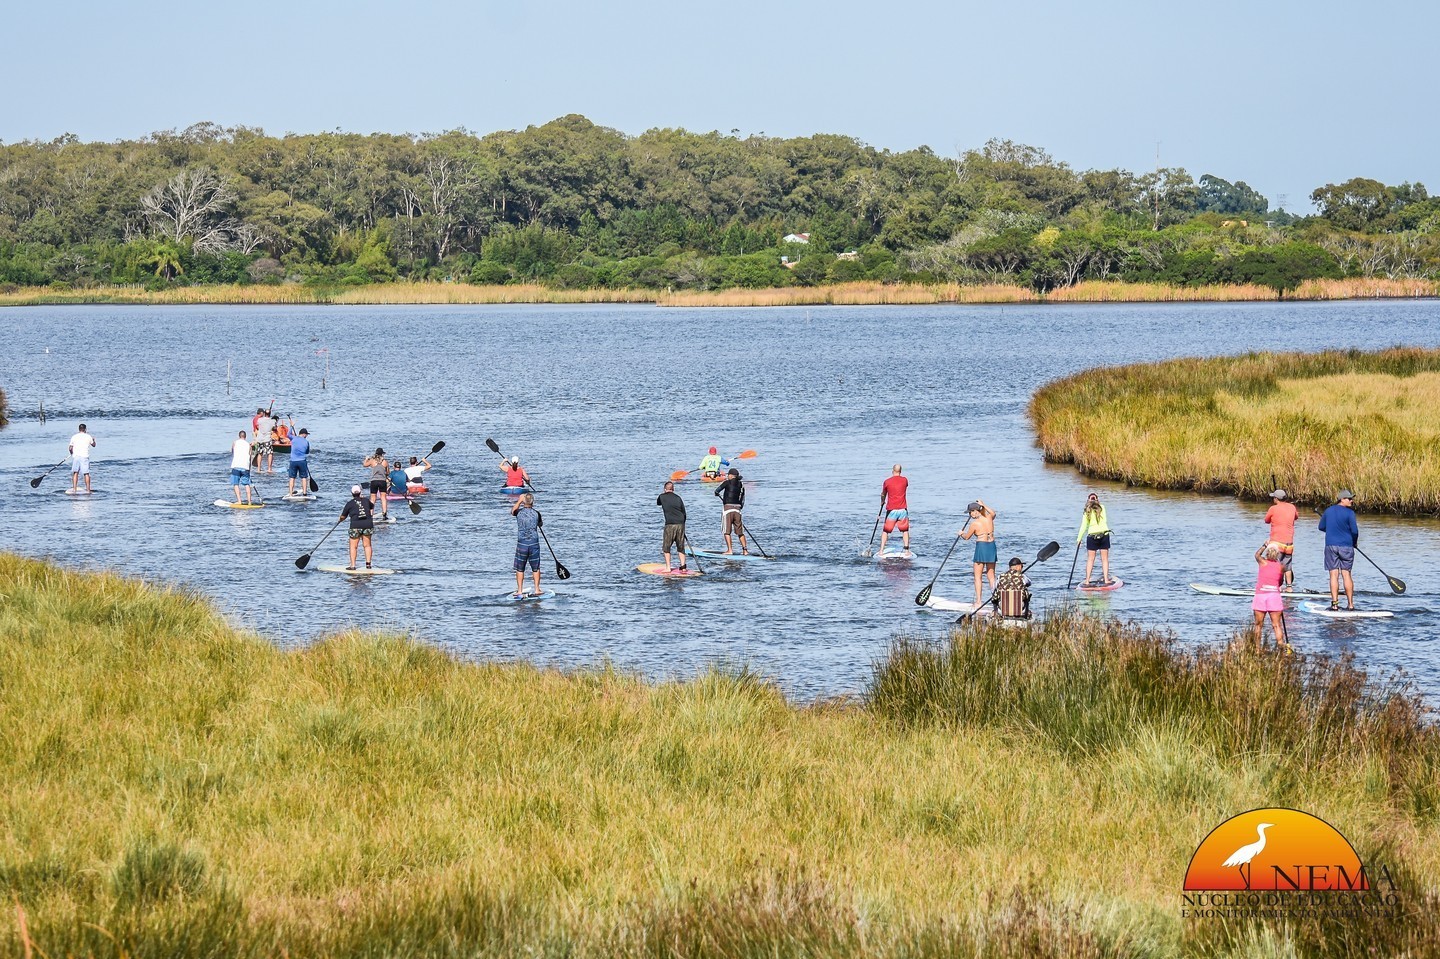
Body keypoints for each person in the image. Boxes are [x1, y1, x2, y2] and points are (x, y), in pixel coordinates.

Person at [1318, 490, 1360, 611]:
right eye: (1349, 499)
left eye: (1351, 499)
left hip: (1331, 546)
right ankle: (1350, 605)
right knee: (1346, 574)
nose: (1351, 501)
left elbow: (1321, 527)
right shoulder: (1350, 513)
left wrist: (1332, 530)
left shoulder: (1328, 511)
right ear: (1342, 499)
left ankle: (1334, 605)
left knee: (1333, 575)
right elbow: (1355, 531)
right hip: (1346, 546)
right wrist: (1354, 542)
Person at [1251, 542, 1291, 654]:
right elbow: (1280, 582)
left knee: (1258, 625)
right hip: (1274, 597)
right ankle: (1281, 647)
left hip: (1261, 596)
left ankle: (1257, 650)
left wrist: (1264, 545)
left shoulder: (1262, 562)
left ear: (1268, 552)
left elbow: (1256, 555)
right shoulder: (1281, 567)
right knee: (1277, 625)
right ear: (1277, 554)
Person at [959, 499, 997, 607]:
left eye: (971, 512)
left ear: (976, 511)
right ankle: (995, 600)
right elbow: (993, 513)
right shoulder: (989, 518)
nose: (970, 515)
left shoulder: (974, 524)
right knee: (991, 576)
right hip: (992, 546)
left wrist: (961, 533)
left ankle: (979, 601)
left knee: (977, 576)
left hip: (981, 547)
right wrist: (983, 505)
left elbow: (967, 537)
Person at [1076, 493, 1115, 586]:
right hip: (1104, 535)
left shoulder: (1087, 511)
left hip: (1092, 536)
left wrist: (1079, 539)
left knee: (1090, 559)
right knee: (1104, 559)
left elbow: (1083, 526)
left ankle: (1087, 580)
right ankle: (1106, 580)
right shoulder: (1102, 508)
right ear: (1097, 500)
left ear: (1088, 501)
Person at [510, 492, 544, 598]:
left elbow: (512, 511)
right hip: (534, 544)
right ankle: (537, 589)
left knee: (520, 568)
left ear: (524, 502)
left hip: (522, 544)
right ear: (533, 502)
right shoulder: (537, 513)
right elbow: (540, 524)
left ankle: (519, 590)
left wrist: (519, 500)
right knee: (536, 567)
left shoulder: (519, 512)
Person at [1263, 489, 1299, 588]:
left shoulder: (1273, 508)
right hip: (1289, 543)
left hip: (1276, 543)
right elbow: (1296, 517)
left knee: (1273, 565)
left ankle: (1272, 585)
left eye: (1273, 497)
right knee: (1287, 566)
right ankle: (1289, 587)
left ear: (1276, 499)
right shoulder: (1292, 507)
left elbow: (1266, 520)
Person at [339, 484, 376, 570]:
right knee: (367, 545)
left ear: (352, 494)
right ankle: (368, 565)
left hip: (355, 526)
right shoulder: (366, 500)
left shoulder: (349, 504)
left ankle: (352, 566)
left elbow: (343, 516)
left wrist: (340, 520)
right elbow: (372, 506)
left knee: (353, 546)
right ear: (360, 493)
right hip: (368, 524)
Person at [657, 480, 690, 572]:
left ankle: (668, 568)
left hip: (670, 524)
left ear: (664, 489)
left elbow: (658, 503)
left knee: (666, 547)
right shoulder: (678, 498)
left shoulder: (661, 496)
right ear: (673, 489)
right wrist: (683, 525)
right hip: (680, 524)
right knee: (680, 546)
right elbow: (684, 513)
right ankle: (683, 567)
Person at [878, 464, 910, 556]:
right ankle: (907, 551)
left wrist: (882, 501)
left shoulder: (887, 482)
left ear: (892, 471)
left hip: (891, 510)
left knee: (886, 531)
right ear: (901, 471)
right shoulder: (905, 480)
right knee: (905, 531)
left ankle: (881, 551)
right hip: (902, 510)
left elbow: (883, 494)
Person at [714, 467, 748, 555]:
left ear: (731, 475)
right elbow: (742, 499)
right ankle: (745, 550)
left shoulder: (726, 483)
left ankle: (729, 550)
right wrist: (739, 508)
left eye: (728, 475)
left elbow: (717, 491)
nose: (727, 476)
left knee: (727, 531)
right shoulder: (741, 485)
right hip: (738, 510)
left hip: (728, 509)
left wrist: (717, 494)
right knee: (740, 532)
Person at [991, 556, 1032, 621]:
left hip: (1002, 609)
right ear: (1018, 567)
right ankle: (1025, 616)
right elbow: (1029, 583)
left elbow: (993, 590)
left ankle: (996, 615)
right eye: (1021, 566)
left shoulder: (1000, 577)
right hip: (1019, 609)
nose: (1021, 568)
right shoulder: (1022, 577)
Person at [364, 447, 391, 521]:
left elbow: (365, 465)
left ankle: (371, 514)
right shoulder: (385, 462)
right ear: (382, 454)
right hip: (382, 481)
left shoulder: (372, 461)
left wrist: (366, 459)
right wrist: (385, 474)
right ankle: (384, 513)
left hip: (374, 481)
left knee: (373, 498)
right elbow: (388, 472)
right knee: (383, 497)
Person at [229, 430, 255, 505]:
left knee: (236, 484)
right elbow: (250, 457)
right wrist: (249, 469)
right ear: (245, 437)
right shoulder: (249, 445)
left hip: (236, 465)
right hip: (245, 467)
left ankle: (239, 501)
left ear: (239, 436)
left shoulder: (235, 442)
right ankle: (249, 502)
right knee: (247, 484)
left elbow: (232, 452)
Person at [68, 423, 96, 493]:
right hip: (84, 456)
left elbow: (70, 448)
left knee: (75, 473)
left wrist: (72, 453)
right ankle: (88, 490)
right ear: (85, 429)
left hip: (76, 457)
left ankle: (74, 489)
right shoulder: (88, 436)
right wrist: (93, 440)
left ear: (79, 429)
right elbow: (94, 445)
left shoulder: (74, 437)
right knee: (86, 473)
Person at [286, 422, 311, 497]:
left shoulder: (293, 438)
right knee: (304, 477)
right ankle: (304, 493)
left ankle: (290, 494)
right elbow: (307, 452)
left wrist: (291, 426)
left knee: (292, 478)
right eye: (306, 434)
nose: (306, 436)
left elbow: (288, 434)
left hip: (293, 461)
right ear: (303, 434)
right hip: (302, 461)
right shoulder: (306, 442)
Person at [253, 409, 276, 474]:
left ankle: (258, 469)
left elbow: (257, 426)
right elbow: (274, 428)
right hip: (267, 439)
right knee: (270, 453)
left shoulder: (260, 420)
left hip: (260, 439)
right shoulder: (272, 421)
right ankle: (269, 469)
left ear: (265, 413)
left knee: (260, 453)